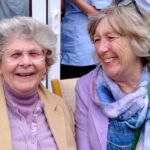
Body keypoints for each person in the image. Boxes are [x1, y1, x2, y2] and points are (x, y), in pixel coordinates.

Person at [75, 2, 150, 150]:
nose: (102, 48)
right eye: (97, 40)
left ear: (136, 40)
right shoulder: (86, 86)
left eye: (111, 37)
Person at [0, 16, 76, 150]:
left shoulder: (62, 107)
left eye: (34, 53)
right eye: (15, 54)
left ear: (46, 62)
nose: (26, 62)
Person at [61, 0, 113, 79]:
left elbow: (99, 16)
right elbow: (63, 9)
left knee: (81, 84)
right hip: (65, 41)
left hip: (83, 46)